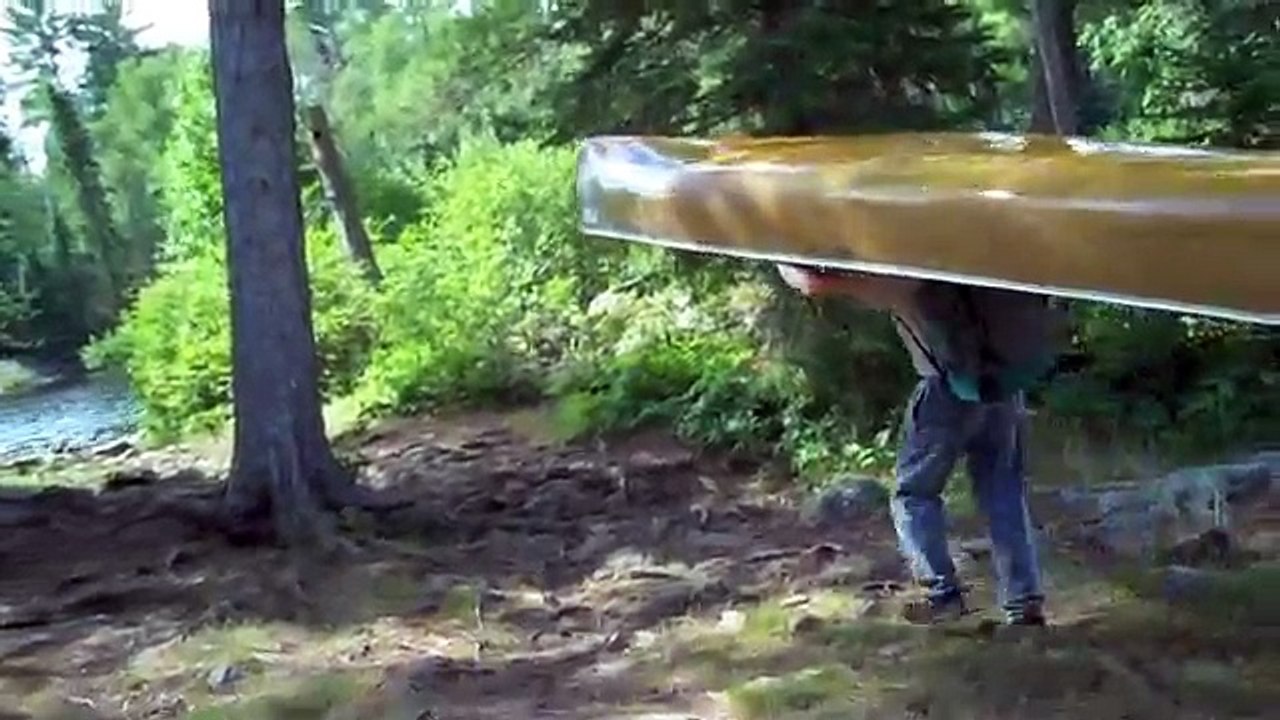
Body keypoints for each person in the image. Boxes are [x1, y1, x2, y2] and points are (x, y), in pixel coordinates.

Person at [776, 263, 1058, 626]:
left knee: (913, 495)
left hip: (945, 389)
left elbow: (812, 283)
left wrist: (777, 253)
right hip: (1004, 384)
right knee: (1002, 492)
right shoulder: (977, 258)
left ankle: (943, 595)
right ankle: (1024, 604)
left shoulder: (904, 269)